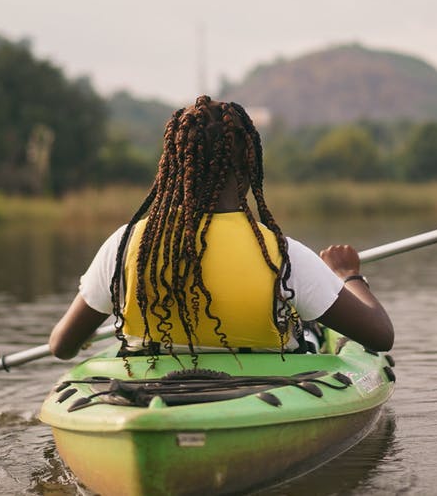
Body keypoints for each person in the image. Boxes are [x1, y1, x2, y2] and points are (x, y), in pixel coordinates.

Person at [49, 96, 393, 362]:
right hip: (265, 392)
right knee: (309, 329)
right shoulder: (282, 256)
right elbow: (380, 336)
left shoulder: (124, 246)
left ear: (173, 165)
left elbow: (62, 346)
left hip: (147, 388)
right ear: (250, 164)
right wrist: (348, 275)